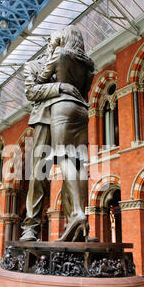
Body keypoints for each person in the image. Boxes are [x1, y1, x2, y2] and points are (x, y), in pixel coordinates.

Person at [20, 37, 85, 242]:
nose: (55, 44)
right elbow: (31, 92)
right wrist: (60, 88)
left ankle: (73, 224)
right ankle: (31, 227)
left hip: (66, 116)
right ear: (47, 44)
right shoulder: (32, 66)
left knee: (72, 166)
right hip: (43, 120)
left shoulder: (69, 59)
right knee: (39, 172)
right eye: (52, 41)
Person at [35, 25, 95, 241]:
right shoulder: (88, 64)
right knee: (79, 162)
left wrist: (52, 53)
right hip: (82, 110)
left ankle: (77, 212)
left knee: (64, 156)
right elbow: (86, 89)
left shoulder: (59, 54)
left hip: (63, 108)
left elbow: (41, 79)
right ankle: (81, 214)